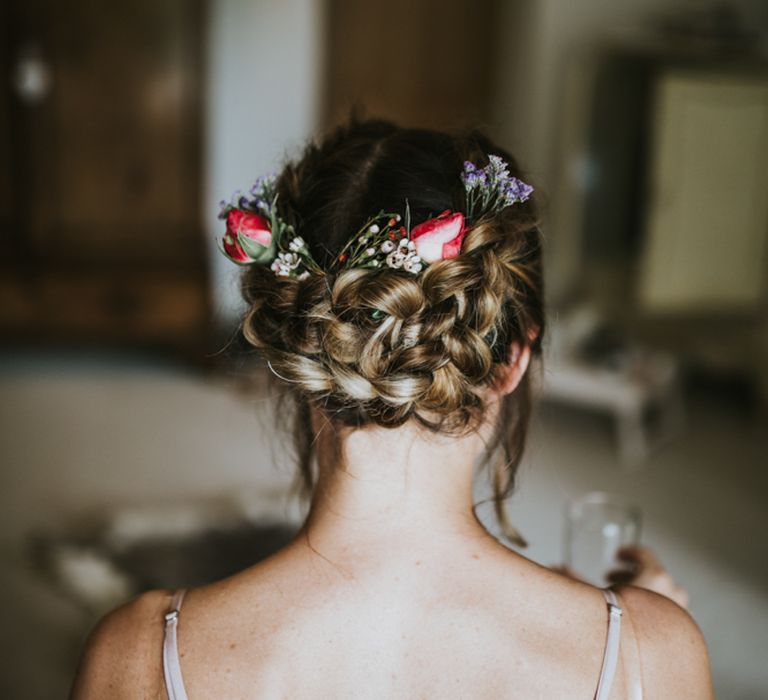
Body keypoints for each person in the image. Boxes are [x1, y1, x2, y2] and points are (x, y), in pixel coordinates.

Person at [70, 119, 714, 699]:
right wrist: (641, 636)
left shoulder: (136, 658)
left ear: (300, 350)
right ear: (514, 358)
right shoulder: (649, 659)